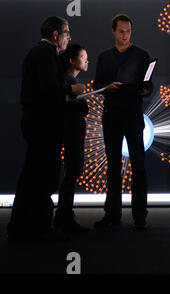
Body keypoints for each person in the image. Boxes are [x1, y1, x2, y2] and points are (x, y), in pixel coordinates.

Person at [8, 16, 85, 241]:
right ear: (55, 35)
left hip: (40, 123)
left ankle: (27, 226)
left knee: (36, 175)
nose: (69, 37)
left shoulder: (43, 53)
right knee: (41, 176)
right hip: (42, 124)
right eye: (66, 32)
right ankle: (35, 228)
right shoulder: (45, 53)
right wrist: (72, 89)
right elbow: (50, 87)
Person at [93, 14, 153, 230]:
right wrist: (107, 87)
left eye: (128, 31)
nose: (125, 35)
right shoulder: (103, 57)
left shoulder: (142, 55)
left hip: (133, 115)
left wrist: (146, 89)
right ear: (113, 31)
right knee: (113, 167)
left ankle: (139, 216)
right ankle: (112, 215)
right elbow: (98, 83)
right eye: (121, 31)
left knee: (138, 167)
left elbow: (149, 86)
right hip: (112, 116)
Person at [53, 44, 90, 233]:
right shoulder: (68, 83)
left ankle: (64, 215)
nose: (86, 61)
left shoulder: (70, 82)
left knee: (71, 172)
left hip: (73, 132)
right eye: (83, 57)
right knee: (72, 171)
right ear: (72, 60)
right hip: (72, 133)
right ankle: (64, 217)